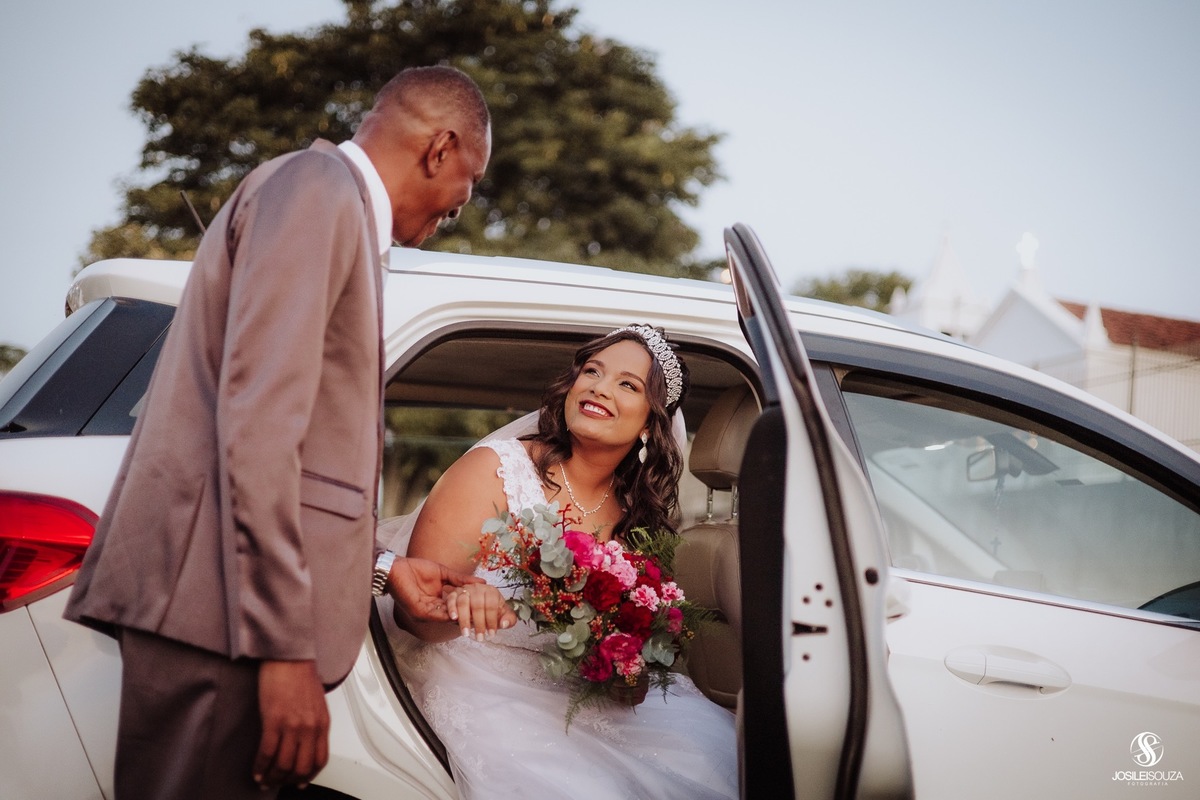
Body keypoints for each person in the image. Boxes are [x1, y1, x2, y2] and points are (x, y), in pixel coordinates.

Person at [62, 66, 503, 800]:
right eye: (470, 181)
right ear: (440, 149)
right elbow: (260, 429)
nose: (459, 205)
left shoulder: (325, 202)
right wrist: (283, 651)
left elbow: (303, 463)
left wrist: (384, 567)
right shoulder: (314, 192)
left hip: (225, 620)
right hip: (222, 625)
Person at [384, 324, 738, 799]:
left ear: (651, 425)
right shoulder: (497, 470)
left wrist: (622, 665)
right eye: (592, 371)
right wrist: (461, 606)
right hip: (474, 681)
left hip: (573, 697)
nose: (599, 387)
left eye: (627, 385)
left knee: (714, 759)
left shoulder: (641, 520)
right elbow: (412, 616)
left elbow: (627, 688)